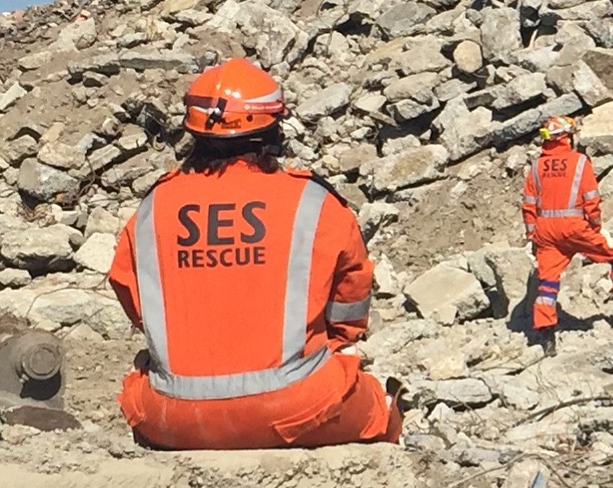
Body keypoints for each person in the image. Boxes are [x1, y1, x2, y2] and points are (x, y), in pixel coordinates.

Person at [107, 58, 401, 451]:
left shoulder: (152, 208)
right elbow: (350, 305)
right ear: (272, 129)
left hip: (173, 417)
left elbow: (132, 296)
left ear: (193, 132)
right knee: (380, 408)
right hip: (298, 404)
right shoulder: (313, 202)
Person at [521, 115, 613, 354]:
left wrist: (533, 235)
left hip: (545, 230)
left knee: (548, 281)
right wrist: (594, 226)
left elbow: (529, 204)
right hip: (574, 226)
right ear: (566, 138)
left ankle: (546, 335)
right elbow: (591, 199)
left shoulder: (536, 166)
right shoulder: (579, 162)